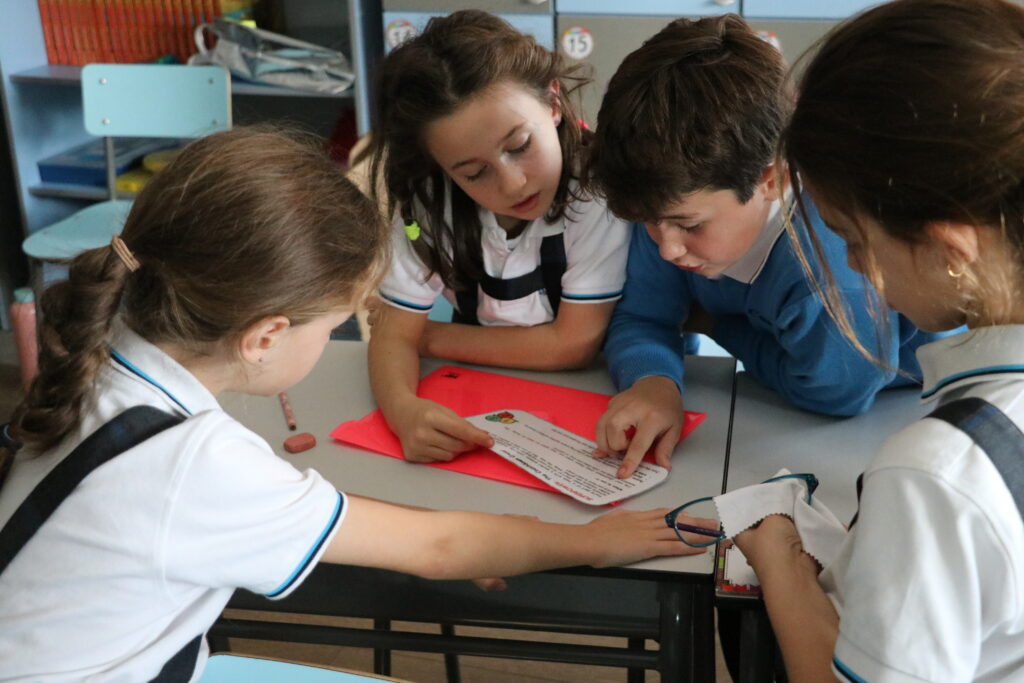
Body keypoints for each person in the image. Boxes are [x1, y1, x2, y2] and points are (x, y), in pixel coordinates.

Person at [0, 127, 709, 681]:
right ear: (266, 336)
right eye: (338, 317)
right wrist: (597, 539)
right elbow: (437, 547)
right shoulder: (197, 463)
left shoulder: (108, 348)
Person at [734, 1, 1024, 680]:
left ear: (951, 250)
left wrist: (779, 554)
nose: (855, 267)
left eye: (857, 241)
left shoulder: (937, 472)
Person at [586, 14, 952, 479]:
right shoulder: (668, 200)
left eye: (688, 226)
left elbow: (838, 393)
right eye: (647, 225)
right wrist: (654, 380)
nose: (667, 249)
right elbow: (643, 316)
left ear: (773, 179)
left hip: (900, 410)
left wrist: (719, 326)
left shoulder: (831, 268)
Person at [366, 10, 631, 464]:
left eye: (520, 145)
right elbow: (391, 339)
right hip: (489, 395)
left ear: (553, 102)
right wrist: (403, 410)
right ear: (441, 168)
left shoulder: (598, 192)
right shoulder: (428, 203)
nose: (512, 185)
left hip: (607, 396)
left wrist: (426, 338)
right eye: (473, 173)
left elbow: (574, 344)